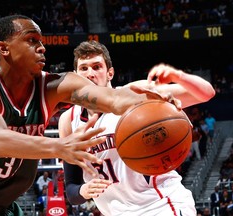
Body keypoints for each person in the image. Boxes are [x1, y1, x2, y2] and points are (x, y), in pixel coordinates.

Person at [0, 15, 166, 215]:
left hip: (3, 206)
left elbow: (113, 99)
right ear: (4, 49)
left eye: (41, 41)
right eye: (31, 40)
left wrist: (154, 102)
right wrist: (59, 147)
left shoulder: (55, 86)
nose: (41, 47)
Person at [59, 40, 215, 215]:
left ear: (110, 73)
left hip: (161, 205)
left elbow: (206, 92)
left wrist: (178, 76)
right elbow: (72, 191)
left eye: (97, 67)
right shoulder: (68, 121)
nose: (90, 74)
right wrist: (84, 190)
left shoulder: (135, 94)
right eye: (84, 68)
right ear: (75, 75)